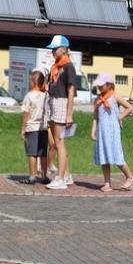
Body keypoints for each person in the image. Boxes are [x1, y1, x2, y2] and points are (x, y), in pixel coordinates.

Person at [89, 73, 133, 193]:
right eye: (98, 85)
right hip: (102, 132)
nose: (99, 87)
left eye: (102, 85)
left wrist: (120, 117)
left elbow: (129, 107)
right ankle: (107, 183)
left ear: (109, 85)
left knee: (117, 156)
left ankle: (130, 177)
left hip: (113, 132)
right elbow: (95, 117)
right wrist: (93, 130)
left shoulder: (115, 97)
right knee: (104, 158)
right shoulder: (97, 100)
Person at [44, 35, 78, 190]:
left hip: (61, 102)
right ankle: (67, 174)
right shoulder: (56, 67)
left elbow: (71, 91)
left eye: (55, 49)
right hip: (52, 101)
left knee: (59, 142)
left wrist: (69, 114)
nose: (52, 51)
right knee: (57, 143)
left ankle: (60, 178)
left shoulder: (68, 66)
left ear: (63, 49)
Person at [21, 69, 51, 184]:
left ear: (33, 82)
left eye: (30, 81)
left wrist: (23, 128)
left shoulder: (29, 96)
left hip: (32, 128)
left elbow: (26, 113)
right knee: (43, 153)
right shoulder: (45, 96)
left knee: (32, 153)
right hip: (43, 128)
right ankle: (44, 176)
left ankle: (32, 176)